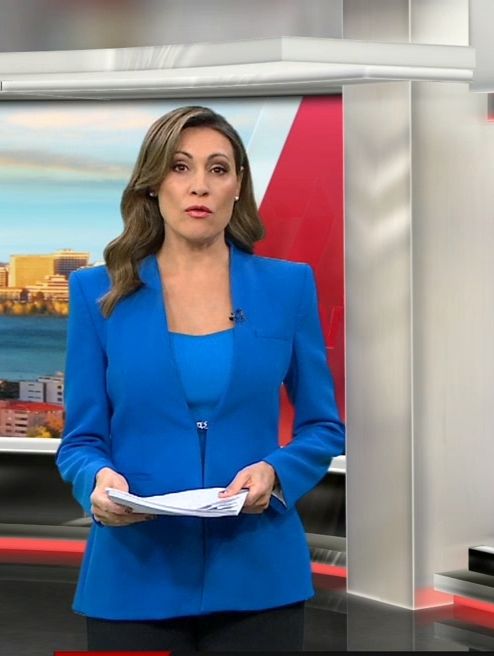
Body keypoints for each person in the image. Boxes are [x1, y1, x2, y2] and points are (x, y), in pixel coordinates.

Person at [56, 105, 345, 652]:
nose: (200, 186)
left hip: (260, 576)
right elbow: (81, 441)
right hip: (135, 575)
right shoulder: (98, 294)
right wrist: (96, 481)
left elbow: (323, 427)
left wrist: (277, 474)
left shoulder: (287, 288)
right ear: (152, 184)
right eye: (180, 167)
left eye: (218, 169)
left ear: (238, 186)